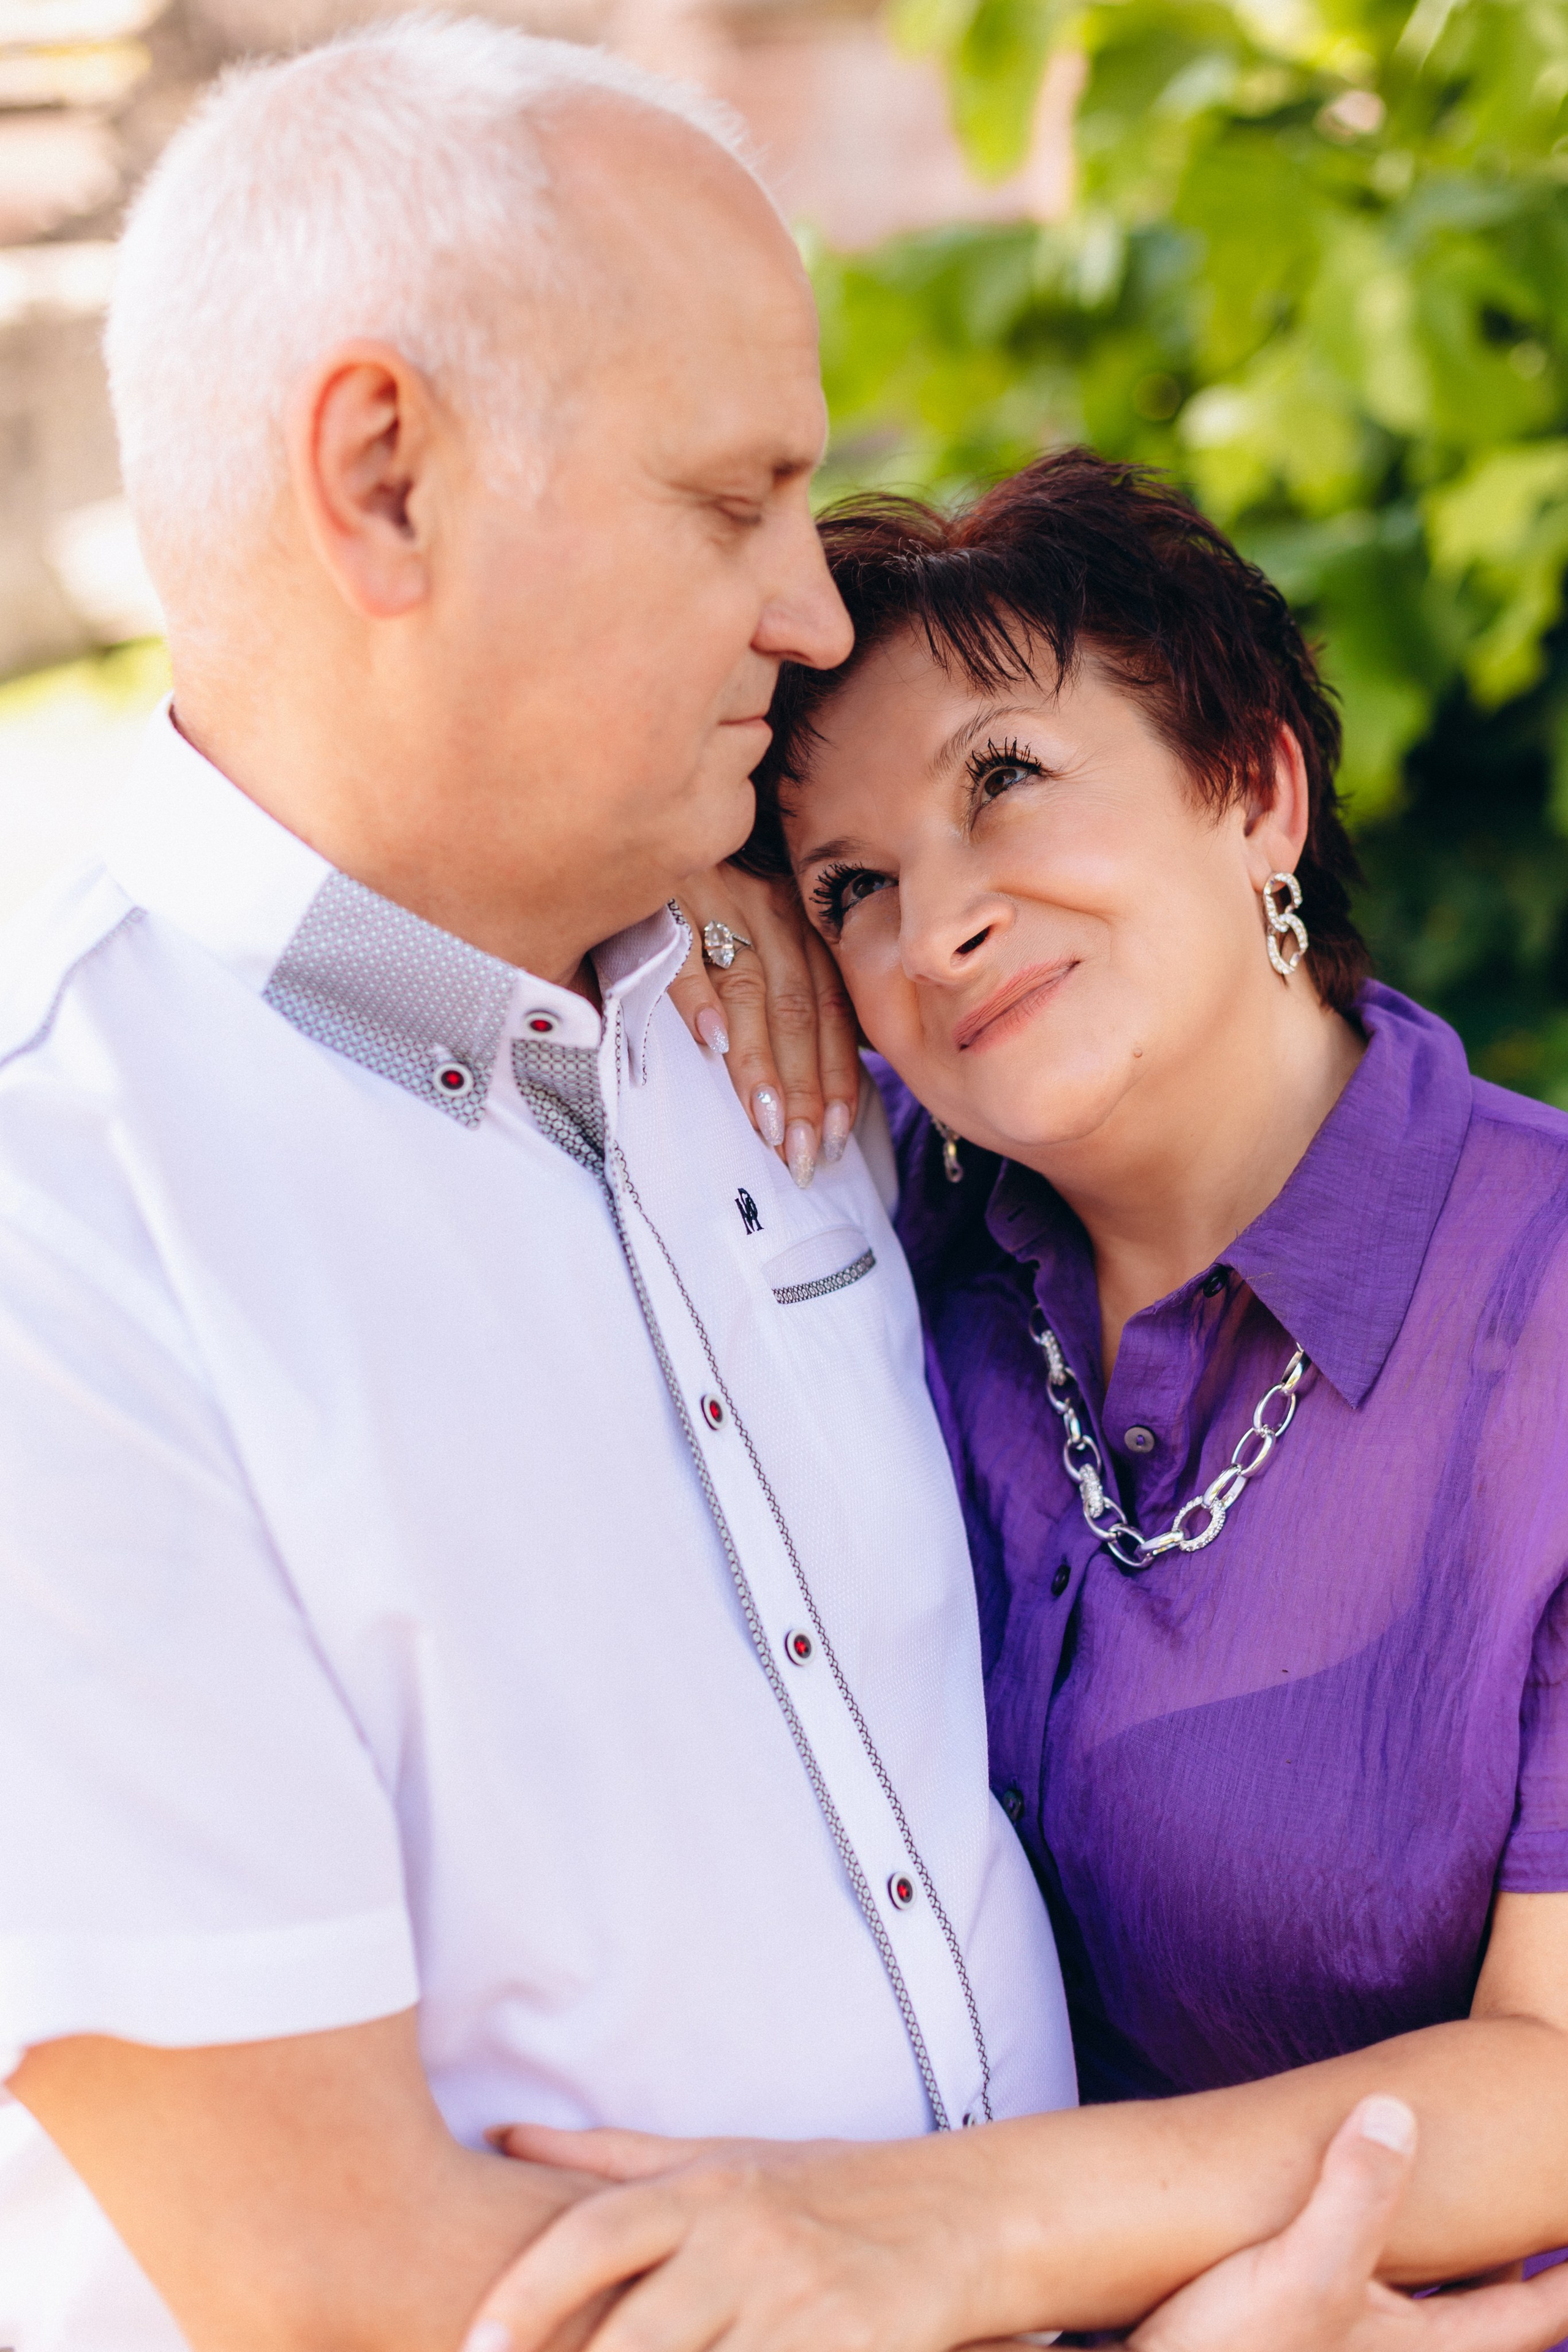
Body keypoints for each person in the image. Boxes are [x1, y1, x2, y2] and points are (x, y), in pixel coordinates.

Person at [0, 29, 1550, 2350]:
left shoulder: (780, 1040)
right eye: (731, 503)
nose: (809, 613)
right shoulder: (73, 1217)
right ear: (386, 483)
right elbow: (340, 2287)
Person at [466, 457, 1568, 2350]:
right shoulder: (862, 1222)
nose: (940, 928)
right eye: (855, 886)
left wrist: (946, 2237)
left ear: (1257, 792)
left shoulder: (1537, 1313)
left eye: (1006, 780)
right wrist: (692, 893)